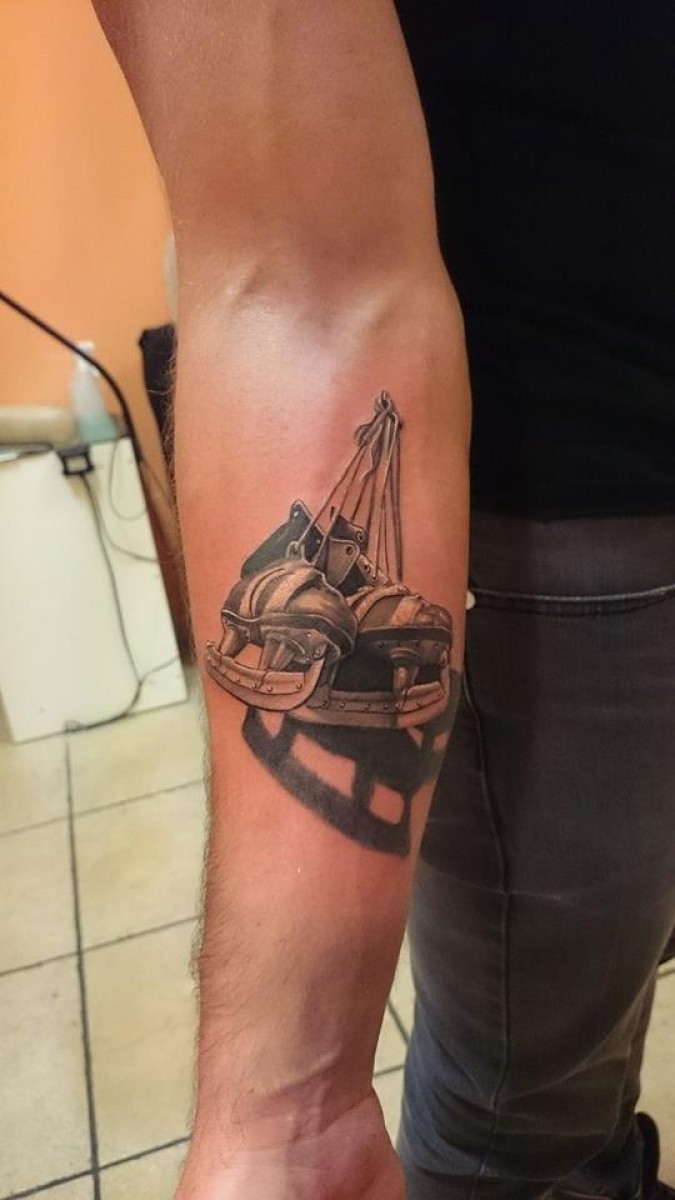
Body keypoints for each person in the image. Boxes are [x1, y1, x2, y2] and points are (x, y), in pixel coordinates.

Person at [91, 4, 675, 1198]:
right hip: (581, 515)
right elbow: (309, 297)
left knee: (600, 990)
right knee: (521, 1102)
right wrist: (289, 1116)